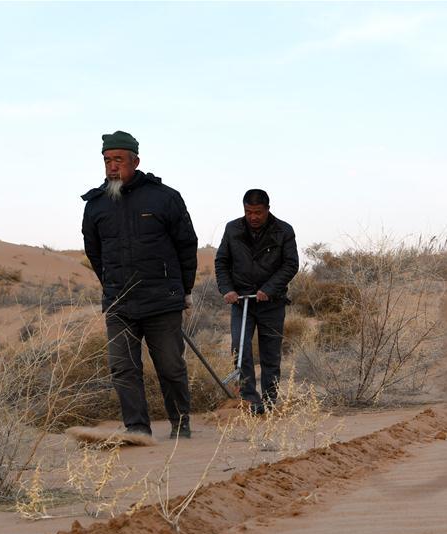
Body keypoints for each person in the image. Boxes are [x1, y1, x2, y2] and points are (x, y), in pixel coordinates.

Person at [81, 131, 198, 439]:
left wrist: (184, 289)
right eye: (107, 160)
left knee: (170, 366)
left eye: (118, 159)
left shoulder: (164, 197)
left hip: (162, 299)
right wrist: (111, 286)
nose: (112, 166)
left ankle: (180, 423)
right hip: (120, 303)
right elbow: (94, 252)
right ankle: (137, 429)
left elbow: (187, 244)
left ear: (135, 160)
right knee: (123, 368)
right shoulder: (95, 205)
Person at [214, 189, 299, 414]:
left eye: (258, 212)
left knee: (270, 353)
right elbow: (221, 262)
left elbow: (290, 265)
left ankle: (270, 402)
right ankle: (250, 399)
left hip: (271, 303)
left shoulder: (283, 230)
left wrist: (269, 289)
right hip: (242, 302)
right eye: (248, 212)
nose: (253, 217)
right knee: (239, 349)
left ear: (267, 209)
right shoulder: (233, 229)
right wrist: (228, 289)